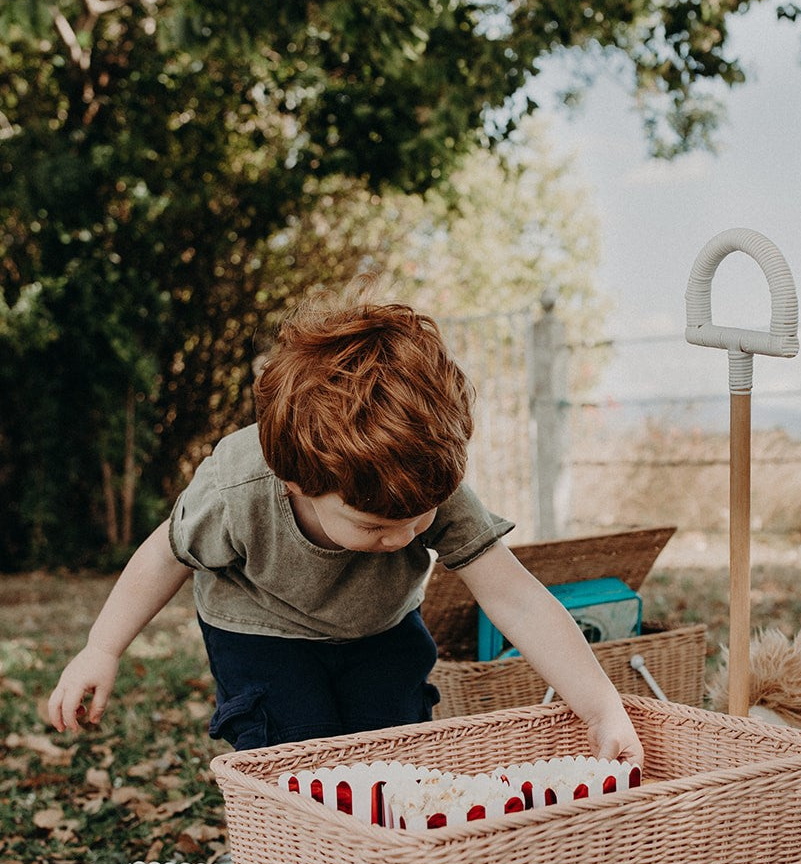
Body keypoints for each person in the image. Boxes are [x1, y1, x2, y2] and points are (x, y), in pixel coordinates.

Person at [47, 285, 643, 765]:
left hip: (380, 628)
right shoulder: (239, 487)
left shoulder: (421, 482)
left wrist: (601, 708)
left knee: (395, 757)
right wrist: (102, 648)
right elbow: (165, 555)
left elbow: (518, 599)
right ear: (296, 482)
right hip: (263, 631)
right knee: (302, 756)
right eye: (375, 526)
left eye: (418, 520)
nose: (404, 537)